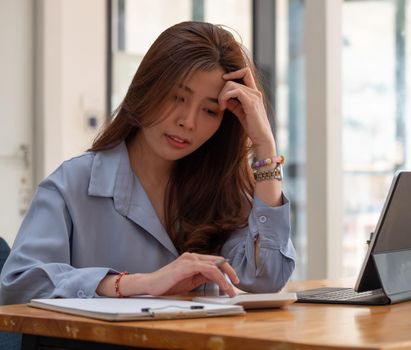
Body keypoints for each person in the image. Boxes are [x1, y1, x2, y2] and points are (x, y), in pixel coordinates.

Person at [0, 21, 296, 304]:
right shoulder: (73, 184)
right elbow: (18, 286)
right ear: (147, 88)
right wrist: (136, 284)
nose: (187, 122)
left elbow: (267, 278)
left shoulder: (219, 191)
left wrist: (265, 146)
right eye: (177, 97)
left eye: (209, 111)